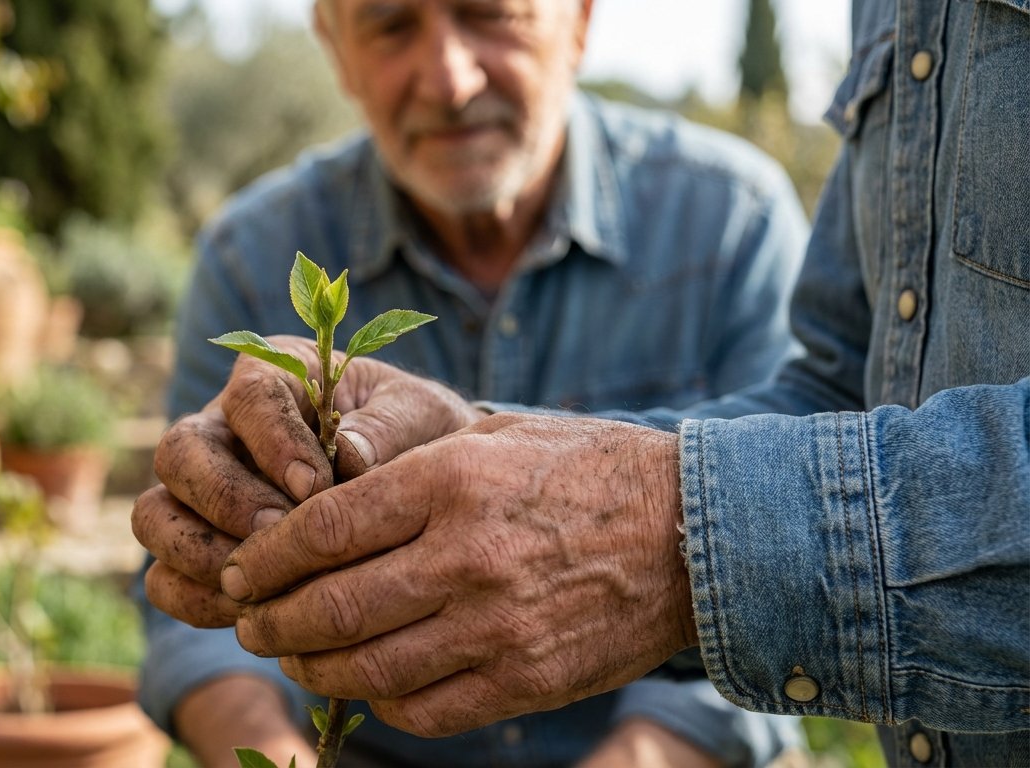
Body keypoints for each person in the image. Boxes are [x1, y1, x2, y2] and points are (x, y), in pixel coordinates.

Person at [135, 0, 1030, 766]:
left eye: (491, 15)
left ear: (582, 21)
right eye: (391, 26)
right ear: (334, 49)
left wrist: (657, 538)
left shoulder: (729, 222)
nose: (448, 79)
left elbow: (762, 535)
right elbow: (835, 420)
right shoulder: (251, 256)